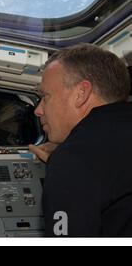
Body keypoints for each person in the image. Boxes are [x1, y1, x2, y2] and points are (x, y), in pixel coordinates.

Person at [28, 43, 132, 236]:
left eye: (45, 97)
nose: (38, 110)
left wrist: (64, 164)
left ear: (81, 94)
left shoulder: (74, 160)